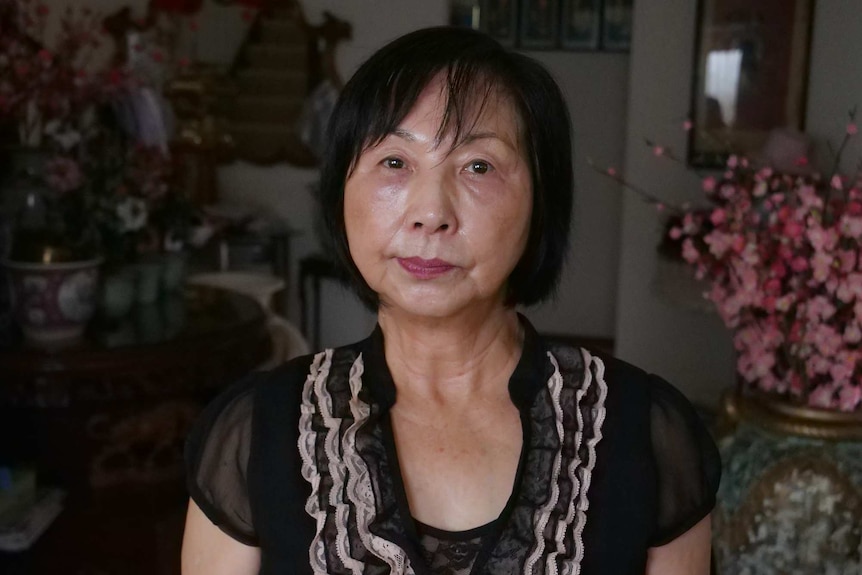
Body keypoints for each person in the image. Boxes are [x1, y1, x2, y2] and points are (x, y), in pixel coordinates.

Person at [181, 26, 721, 575]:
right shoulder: (257, 431)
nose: (431, 211)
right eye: (394, 162)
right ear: (340, 191)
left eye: (478, 166)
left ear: (542, 199)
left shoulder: (647, 434)